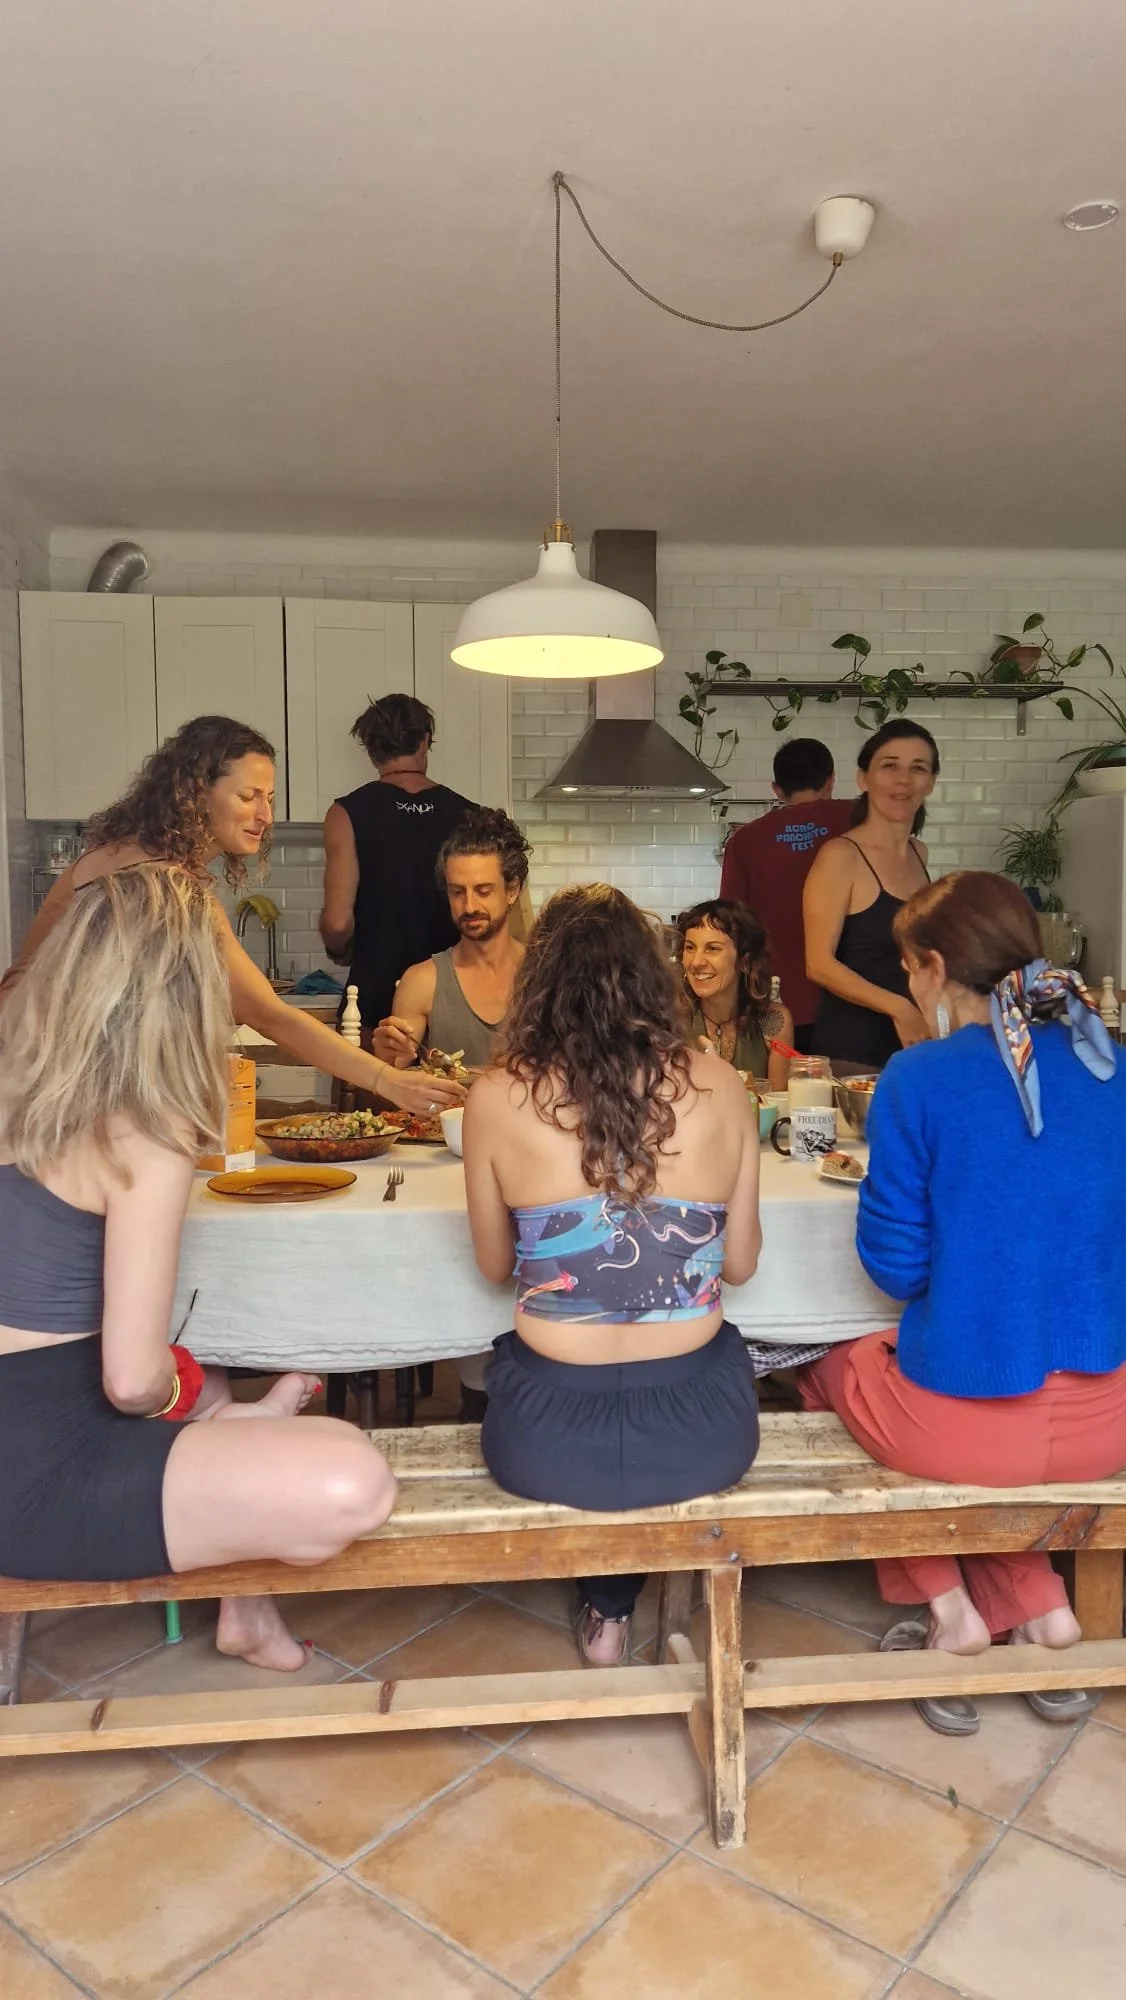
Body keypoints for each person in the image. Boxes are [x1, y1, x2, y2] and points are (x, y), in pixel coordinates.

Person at [0, 865, 397, 1668]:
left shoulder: (19, 1086)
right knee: (355, 1477)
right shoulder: (144, 1128)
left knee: (217, 1394)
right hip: (36, 1472)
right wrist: (198, 1405)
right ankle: (240, 1471)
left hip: (29, 1420)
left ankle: (247, 1611)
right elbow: (133, 1383)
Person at [796, 870, 1126, 1735]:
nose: (911, 987)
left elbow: (897, 1270)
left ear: (936, 967)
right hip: (1108, 1419)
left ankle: (950, 1611)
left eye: (909, 969)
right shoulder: (1112, 1064)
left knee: (824, 1365)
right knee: (946, 1407)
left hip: (971, 1431)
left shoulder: (918, 1077)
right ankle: (1042, 1606)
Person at [463, 884, 762, 1667]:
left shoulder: (495, 1096)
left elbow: (496, 1268)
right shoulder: (723, 1085)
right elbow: (740, 1264)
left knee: (513, 1359)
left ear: (540, 982)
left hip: (544, 1438)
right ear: (653, 976)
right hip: (705, 1434)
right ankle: (629, 1602)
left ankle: (607, 1611)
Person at [3, 716, 462, 1121]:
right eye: (248, 796)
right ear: (195, 793)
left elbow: (19, 979)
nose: (265, 815)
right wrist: (387, 1080)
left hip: (51, 1100)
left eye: (269, 798)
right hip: (89, 1104)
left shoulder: (101, 859)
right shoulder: (170, 886)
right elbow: (268, 1014)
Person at [320, 692, 477, 1032]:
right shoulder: (470, 816)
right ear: (424, 741)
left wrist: (341, 950)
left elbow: (336, 924)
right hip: (452, 992)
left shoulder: (346, 813)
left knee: (373, 1084)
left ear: (372, 750)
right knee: (453, 1081)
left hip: (375, 994)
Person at [804, 721, 939, 1069]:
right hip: (853, 1056)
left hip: (914, 1052)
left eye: (918, 768)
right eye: (889, 765)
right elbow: (818, 964)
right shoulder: (840, 855)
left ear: (931, 782)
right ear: (864, 778)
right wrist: (899, 1007)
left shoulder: (918, 853)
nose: (903, 779)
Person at [372, 806, 532, 1073]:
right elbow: (394, 1088)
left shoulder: (545, 975)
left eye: (483, 891)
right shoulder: (422, 982)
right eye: (457, 892)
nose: (469, 906)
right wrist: (387, 1059)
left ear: (512, 890)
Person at [720, 739, 854, 1052]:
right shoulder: (858, 820)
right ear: (831, 779)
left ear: (777, 789)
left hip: (773, 1003)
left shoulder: (745, 840)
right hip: (853, 1002)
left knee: (780, 1093)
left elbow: (730, 923)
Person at [677, 899, 793, 1090]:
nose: (696, 962)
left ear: (745, 961)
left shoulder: (774, 1021)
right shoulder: (673, 1017)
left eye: (712, 948)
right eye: (690, 947)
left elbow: (777, 1106)